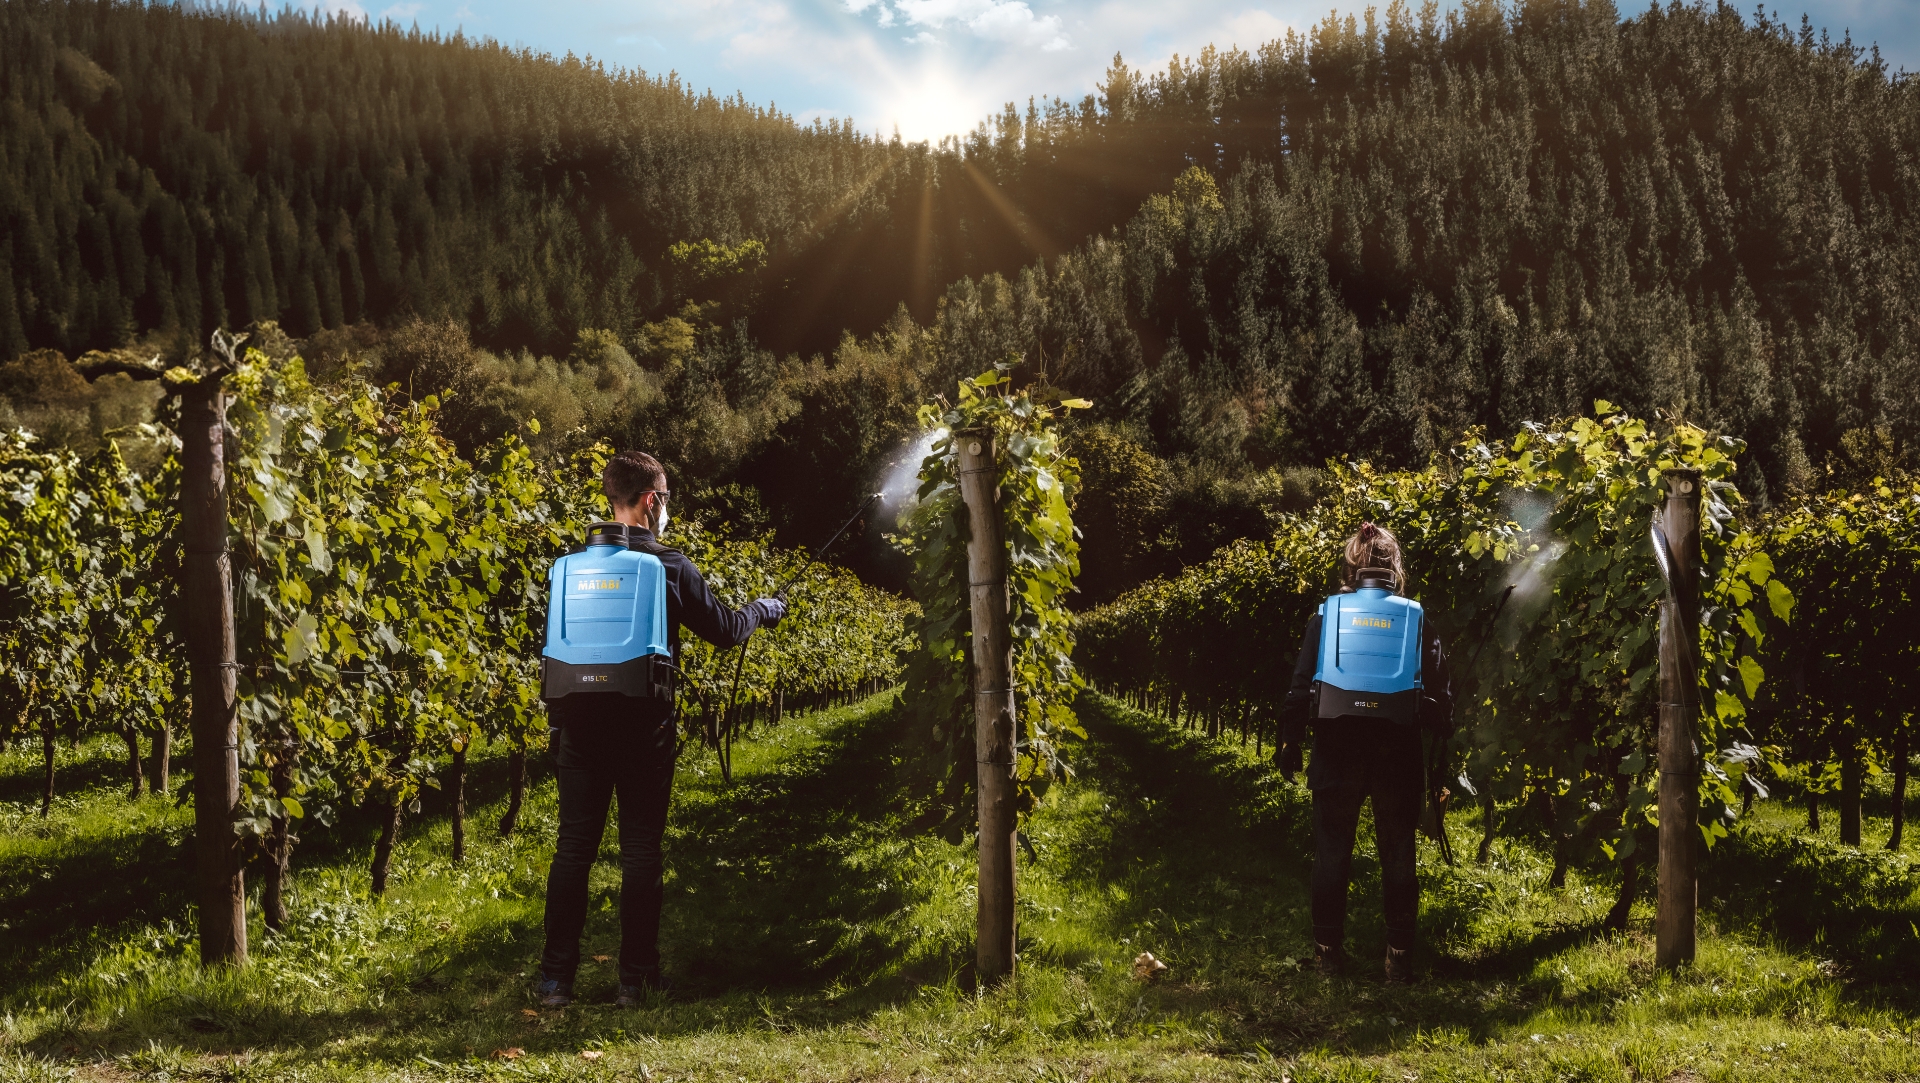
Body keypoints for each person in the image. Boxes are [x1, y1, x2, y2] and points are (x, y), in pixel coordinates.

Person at [535, 450, 786, 1008]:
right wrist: (762, 610)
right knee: (641, 851)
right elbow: (723, 628)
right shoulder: (670, 565)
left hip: (577, 727)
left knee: (573, 850)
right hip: (645, 730)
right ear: (652, 500)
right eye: (666, 499)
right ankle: (636, 980)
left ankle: (555, 980)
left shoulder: (573, 566)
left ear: (612, 499)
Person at [1279, 522, 1452, 984]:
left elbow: (1301, 686)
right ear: (1394, 566)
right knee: (1398, 854)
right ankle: (1398, 959)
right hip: (1396, 752)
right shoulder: (1417, 617)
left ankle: (1327, 956)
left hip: (1336, 748)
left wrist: (1289, 741)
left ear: (1352, 566)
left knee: (1332, 853)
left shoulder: (1326, 615)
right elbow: (1439, 695)